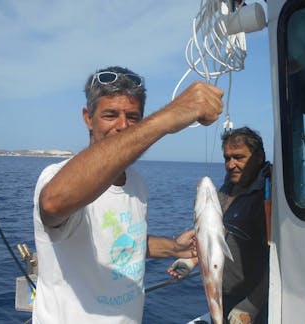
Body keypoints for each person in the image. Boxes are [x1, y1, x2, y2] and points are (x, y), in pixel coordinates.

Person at [32, 66, 224, 323]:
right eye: (110, 115)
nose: (123, 126)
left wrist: (174, 248)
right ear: (88, 118)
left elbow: (123, 245)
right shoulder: (56, 177)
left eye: (133, 117)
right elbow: (53, 203)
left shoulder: (136, 183)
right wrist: (167, 118)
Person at [168, 127, 271, 324]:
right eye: (227, 158)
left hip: (256, 304)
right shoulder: (224, 192)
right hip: (223, 296)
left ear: (258, 157)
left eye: (239, 157)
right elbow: (216, 239)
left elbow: (280, 260)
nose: (231, 165)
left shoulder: (269, 197)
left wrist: (253, 303)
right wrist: (192, 261)